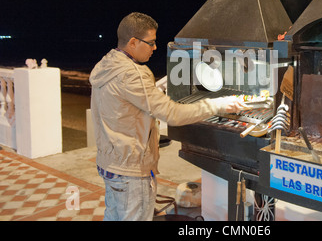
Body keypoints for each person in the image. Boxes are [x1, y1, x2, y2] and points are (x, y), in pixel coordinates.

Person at [89, 12, 247, 221]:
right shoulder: (134, 74)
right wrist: (217, 104)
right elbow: (172, 114)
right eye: (151, 42)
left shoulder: (109, 64)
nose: (155, 48)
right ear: (134, 42)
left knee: (113, 216)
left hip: (110, 164)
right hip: (131, 170)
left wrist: (156, 88)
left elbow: (124, 101)